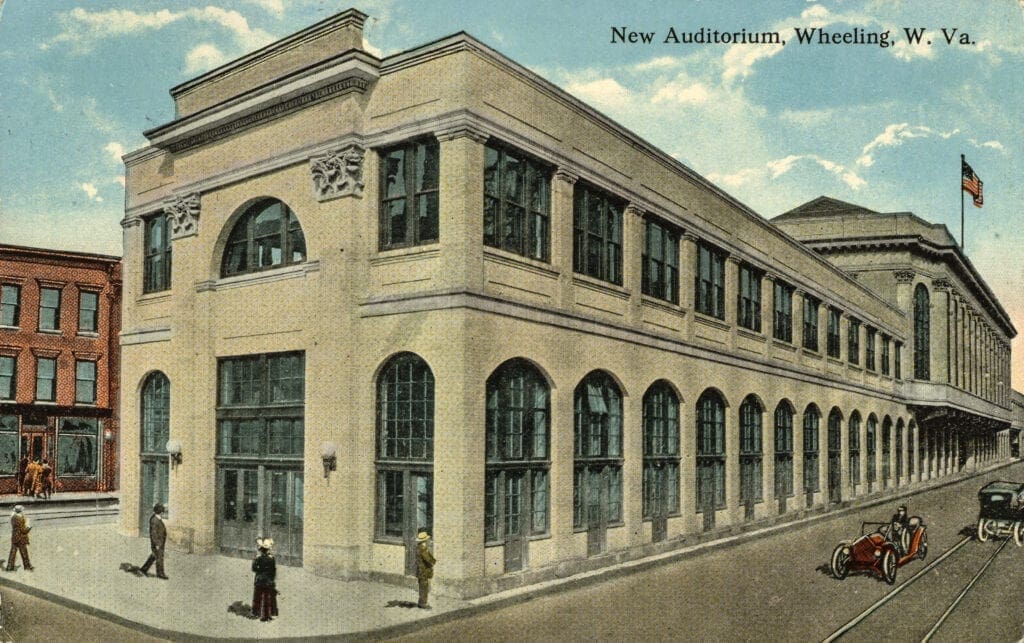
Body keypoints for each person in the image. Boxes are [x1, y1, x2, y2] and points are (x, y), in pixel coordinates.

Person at [251, 537, 278, 622]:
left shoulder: (258, 558)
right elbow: (273, 570)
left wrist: (256, 565)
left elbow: (254, 569)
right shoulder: (272, 558)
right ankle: (268, 615)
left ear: (261, 550)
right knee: (268, 598)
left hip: (259, 580)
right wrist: (272, 580)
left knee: (257, 596)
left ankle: (256, 612)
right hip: (268, 581)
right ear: (268, 550)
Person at [139, 503, 168, 579]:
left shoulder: (156, 518)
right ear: (160, 512)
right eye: (163, 511)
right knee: (159, 558)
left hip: (159, 542)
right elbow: (153, 534)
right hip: (157, 543)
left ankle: (144, 569)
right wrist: (157, 544)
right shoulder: (155, 520)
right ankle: (160, 574)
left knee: (154, 556)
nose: (163, 513)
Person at [5, 505, 33, 571]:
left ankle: (9, 567)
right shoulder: (20, 518)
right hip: (21, 538)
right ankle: (27, 567)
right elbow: (23, 530)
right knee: (24, 553)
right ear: (21, 511)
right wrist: (29, 527)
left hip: (14, 537)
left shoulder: (13, 517)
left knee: (13, 552)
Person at [415, 531, 436, 609]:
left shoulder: (418, 547)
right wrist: (433, 562)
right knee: (424, 587)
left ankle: (421, 602)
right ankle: (423, 603)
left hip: (420, 570)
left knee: (422, 586)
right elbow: (428, 559)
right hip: (423, 570)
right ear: (424, 540)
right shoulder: (423, 548)